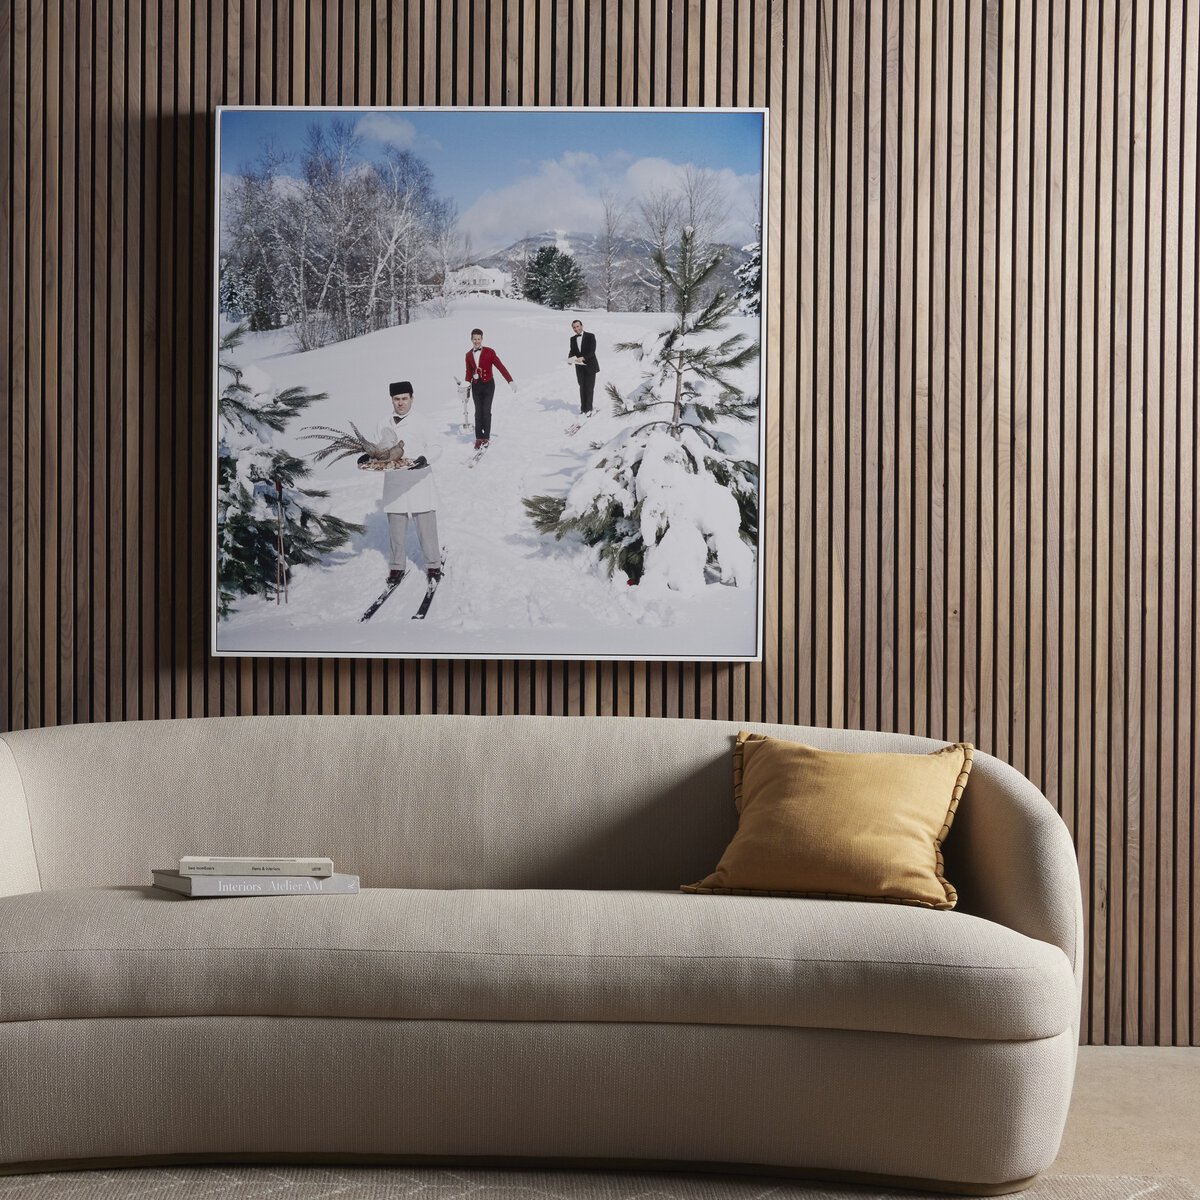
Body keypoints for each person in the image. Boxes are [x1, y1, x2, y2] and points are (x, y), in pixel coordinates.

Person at [360, 380, 443, 585]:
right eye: (397, 399)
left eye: (405, 398)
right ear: (391, 400)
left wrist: (425, 459)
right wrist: (367, 457)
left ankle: (433, 565)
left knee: (426, 528)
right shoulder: (382, 423)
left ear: (412, 398)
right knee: (396, 530)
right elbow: (377, 450)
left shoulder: (423, 421)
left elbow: (436, 446)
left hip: (418, 480)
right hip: (395, 482)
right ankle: (397, 566)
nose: (401, 403)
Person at [463, 327, 515, 449]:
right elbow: (468, 372)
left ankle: (486, 437)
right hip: (476, 386)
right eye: (474, 339)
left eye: (478, 339)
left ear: (482, 339)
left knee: (486, 411)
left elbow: (500, 366)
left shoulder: (490, 352)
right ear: (471, 339)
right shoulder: (468, 355)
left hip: (488, 386)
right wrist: (466, 386)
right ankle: (478, 437)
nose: (476, 341)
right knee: (478, 412)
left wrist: (510, 380)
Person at [567, 318, 600, 415]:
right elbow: (572, 351)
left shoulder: (590, 336)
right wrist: (569, 359)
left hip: (590, 366)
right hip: (579, 367)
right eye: (574, 327)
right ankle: (583, 409)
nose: (576, 329)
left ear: (581, 326)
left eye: (577, 326)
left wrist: (583, 358)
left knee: (589, 388)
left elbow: (592, 351)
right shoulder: (572, 339)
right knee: (582, 387)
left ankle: (589, 409)